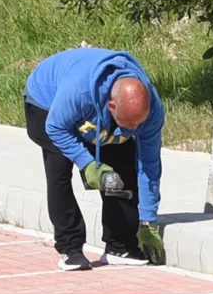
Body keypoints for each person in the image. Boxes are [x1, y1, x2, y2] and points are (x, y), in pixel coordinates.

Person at [21, 45, 165, 272]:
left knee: (122, 163)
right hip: (46, 103)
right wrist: (87, 164)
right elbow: (55, 127)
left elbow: (149, 165)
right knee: (59, 167)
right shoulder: (79, 92)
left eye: (139, 124)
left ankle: (119, 245)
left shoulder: (152, 112)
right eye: (129, 124)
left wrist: (147, 221)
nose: (133, 129)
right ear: (111, 106)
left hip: (92, 108)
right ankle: (70, 247)